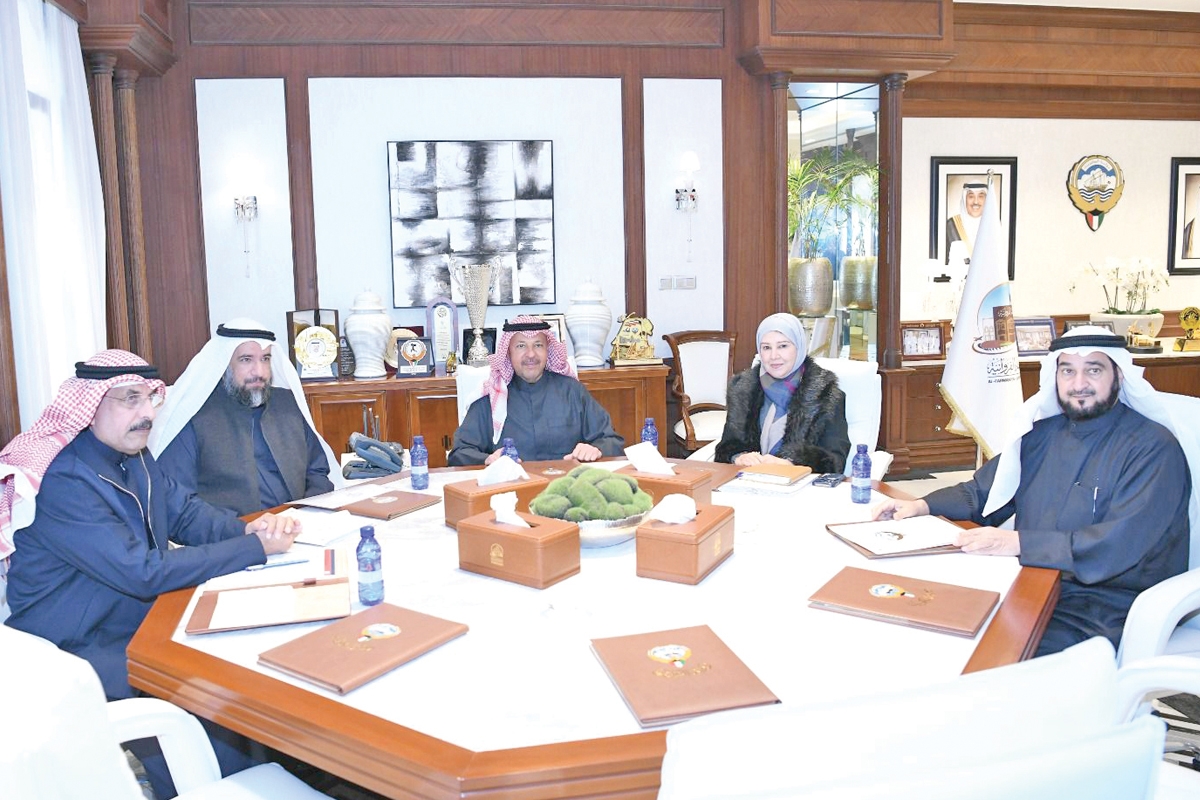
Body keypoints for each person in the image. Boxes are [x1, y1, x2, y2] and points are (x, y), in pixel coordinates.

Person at [0, 349, 301, 796]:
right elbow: (142, 573)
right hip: (77, 647)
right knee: (206, 701)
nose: (146, 414)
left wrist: (245, 528)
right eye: (130, 399)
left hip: (137, 621)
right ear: (90, 406)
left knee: (245, 665)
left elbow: (185, 513)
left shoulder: (134, 457)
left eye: (149, 398)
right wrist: (253, 548)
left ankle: (269, 772)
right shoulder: (65, 481)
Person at [871, 327, 1197, 656]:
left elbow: (1117, 545)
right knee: (926, 619)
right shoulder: (1040, 435)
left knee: (994, 654)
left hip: (1104, 605)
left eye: (1094, 370)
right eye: (1067, 371)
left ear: (1119, 375)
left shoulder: (1153, 449)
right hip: (1030, 583)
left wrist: (1017, 543)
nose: (1079, 383)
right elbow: (983, 494)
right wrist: (922, 505)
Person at [150, 319, 341, 517]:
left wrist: (309, 513)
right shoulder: (194, 415)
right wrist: (243, 530)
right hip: (232, 531)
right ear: (224, 363)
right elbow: (179, 501)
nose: (259, 372)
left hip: (301, 522)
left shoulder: (287, 403)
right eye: (246, 360)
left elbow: (317, 471)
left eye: (265, 359)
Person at [448, 315, 624, 465]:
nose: (531, 354)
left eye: (538, 345)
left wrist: (595, 449)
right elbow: (459, 454)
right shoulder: (491, 397)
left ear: (548, 350)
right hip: (511, 489)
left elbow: (612, 440)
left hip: (567, 486)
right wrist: (488, 459)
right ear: (508, 353)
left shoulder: (572, 391)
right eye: (521, 346)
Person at [714, 313, 851, 473]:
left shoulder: (825, 394)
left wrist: (792, 464)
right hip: (749, 480)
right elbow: (727, 447)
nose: (774, 356)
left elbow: (835, 461)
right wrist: (738, 457)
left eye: (783, 346)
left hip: (799, 484)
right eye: (766, 348)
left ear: (799, 347)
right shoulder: (743, 391)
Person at [945, 180, 987, 265]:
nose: (976, 202)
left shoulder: (994, 227)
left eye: (981, 196)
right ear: (965, 199)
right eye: (971, 196)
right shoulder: (951, 225)